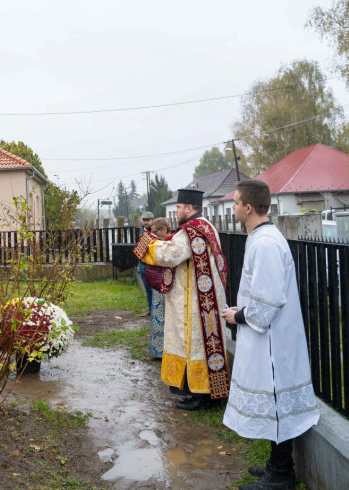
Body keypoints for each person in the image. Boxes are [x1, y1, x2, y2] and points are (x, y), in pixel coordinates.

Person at [221, 180, 319, 490]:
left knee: (275, 399)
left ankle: (281, 474)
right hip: (270, 337)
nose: (234, 207)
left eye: (236, 203)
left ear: (248, 208)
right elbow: (261, 290)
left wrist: (239, 316)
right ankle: (277, 464)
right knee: (275, 399)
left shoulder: (265, 243)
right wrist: (242, 309)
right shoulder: (261, 237)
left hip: (273, 342)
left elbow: (270, 299)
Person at [139, 188, 230, 411]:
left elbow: (169, 255)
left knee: (194, 345)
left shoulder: (191, 231)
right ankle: (212, 392)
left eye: (178, 207)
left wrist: (147, 242)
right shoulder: (207, 226)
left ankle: (200, 395)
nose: (176, 211)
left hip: (194, 302)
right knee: (205, 346)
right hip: (207, 298)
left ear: (189, 208)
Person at [145, 218, 172, 359]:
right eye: (152, 231)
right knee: (158, 317)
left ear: (164, 230)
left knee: (168, 319)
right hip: (157, 285)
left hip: (168, 286)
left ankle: (167, 350)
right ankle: (157, 350)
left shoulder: (171, 244)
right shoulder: (157, 243)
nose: (153, 234)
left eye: (155, 231)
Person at [136, 211, 155, 317]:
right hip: (142, 264)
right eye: (144, 220)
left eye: (148, 220)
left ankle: (157, 311)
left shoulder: (156, 231)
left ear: (153, 220)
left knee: (154, 289)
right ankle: (150, 309)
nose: (146, 222)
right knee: (147, 288)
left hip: (152, 265)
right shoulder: (141, 231)